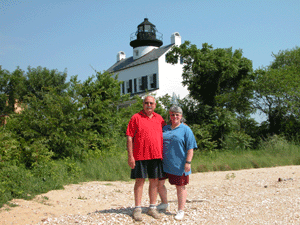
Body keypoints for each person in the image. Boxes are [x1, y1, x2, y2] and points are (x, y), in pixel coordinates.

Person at [126, 96, 166, 221]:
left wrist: (182, 124)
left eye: (151, 103)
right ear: (143, 104)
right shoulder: (135, 118)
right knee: (139, 181)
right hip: (139, 156)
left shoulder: (159, 118)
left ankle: (152, 207)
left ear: (155, 105)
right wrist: (130, 156)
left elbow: (168, 131)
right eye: (146, 103)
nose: (149, 105)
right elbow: (129, 137)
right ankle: (137, 208)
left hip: (156, 155)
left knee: (154, 181)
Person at [157, 105, 197, 220]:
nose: (174, 116)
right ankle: (164, 203)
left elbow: (190, 148)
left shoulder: (186, 129)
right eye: (172, 114)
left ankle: (180, 210)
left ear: (181, 116)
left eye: (177, 115)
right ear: (169, 116)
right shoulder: (165, 128)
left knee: (180, 187)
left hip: (179, 164)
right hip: (164, 163)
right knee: (159, 184)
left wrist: (188, 162)